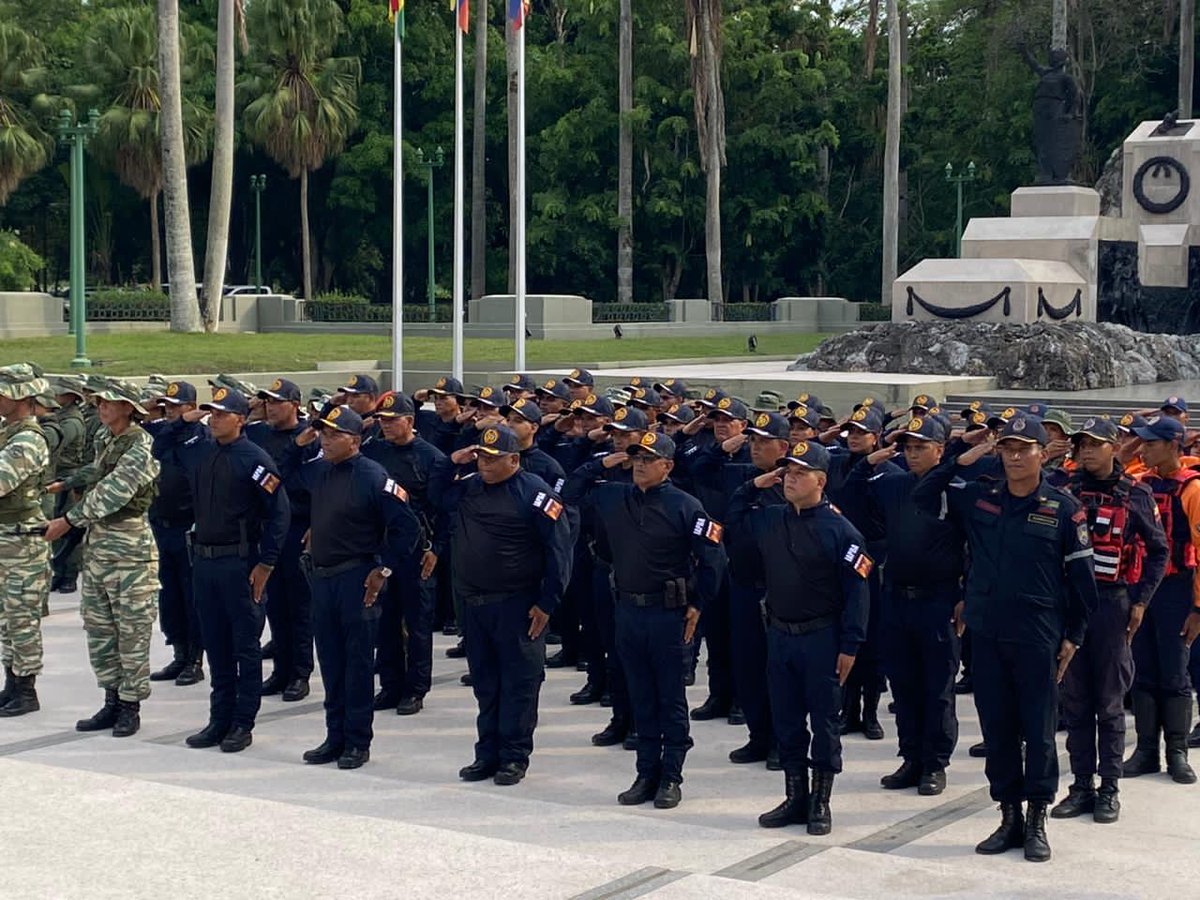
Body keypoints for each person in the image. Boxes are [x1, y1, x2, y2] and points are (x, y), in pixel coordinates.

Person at [913, 415, 1097, 862]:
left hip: (1038, 633)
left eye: (1024, 448)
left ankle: (1036, 819)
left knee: (1036, 729)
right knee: (997, 729)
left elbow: (1083, 581)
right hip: (987, 632)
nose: (1014, 456)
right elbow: (922, 497)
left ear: (1042, 453)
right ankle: (1008, 814)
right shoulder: (981, 498)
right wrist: (961, 451)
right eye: (1008, 448)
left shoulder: (1062, 507)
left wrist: (1073, 635)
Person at [736, 440, 869, 834]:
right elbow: (733, 517)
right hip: (780, 635)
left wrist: (850, 645)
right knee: (787, 720)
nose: (790, 480)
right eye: (787, 472)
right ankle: (795, 796)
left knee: (824, 723)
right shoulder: (773, 518)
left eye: (799, 473)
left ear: (821, 480)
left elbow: (858, 593)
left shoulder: (842, 531)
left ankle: (820, 801)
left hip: (822, 639)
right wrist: (755, 485)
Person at [592, 430, 726, 809]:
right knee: (641, 696)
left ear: (667, 466)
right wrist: (602, 463)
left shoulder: (686, 506)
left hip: (668, 614)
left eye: (649, 459)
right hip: (629, 611)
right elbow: (571, 490)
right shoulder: (616, 496)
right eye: (636, 458)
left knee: (669, 698)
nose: (639, 465)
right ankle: (645, 772)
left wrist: (698, 604)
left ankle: (671, 775)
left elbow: (714, 559)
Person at [285, 405, 422, 768]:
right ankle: (335, 736)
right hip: (323, 578)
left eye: (334, 435)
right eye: (323, 435)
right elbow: (284, 475)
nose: (326, 442)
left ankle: (357, 741)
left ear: (356, 440)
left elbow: (407, 529)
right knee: (331, 663)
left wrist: (385, 569)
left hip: (357, 578)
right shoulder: (321, 472)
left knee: (357, 664)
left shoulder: (373, 477)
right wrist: (300, 443)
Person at [1048, 417, 1168, 823]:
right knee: (1076, 701)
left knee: (1110, 703)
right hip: (1071, 605)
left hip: (1112, 605)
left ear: (1114, 446)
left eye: (1095, 443)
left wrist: (1141, 602)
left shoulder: (1136, 494)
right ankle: (1081, 785)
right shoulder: (1063, 491)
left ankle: (1109, 788)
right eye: (1081, 443)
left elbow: (1159, 550)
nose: (1085, 450)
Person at [438, 425, 573, 785]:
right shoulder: (469, 487)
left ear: (514, 459)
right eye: (481, 455)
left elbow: (559, 553)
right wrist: (453, 460)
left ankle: (514, 756)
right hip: (475, 604)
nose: (485, 463)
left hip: (518, 605)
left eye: (494, 459)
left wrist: (547, 604)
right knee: (486, 684)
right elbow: (433, 494)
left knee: (519, 685)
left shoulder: (535, 494)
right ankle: (487, 753)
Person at [851, 414, 964, 796]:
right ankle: (911, 756)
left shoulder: (956, 489)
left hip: (938, 601)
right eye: (908, 447)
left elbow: (974, 546)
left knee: (936, 686)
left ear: (940, 449)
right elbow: (850, 494)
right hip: (897, 598)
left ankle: (935, 762)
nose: (913, 454)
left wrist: (964, 596)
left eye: (921, 447)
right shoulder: (894, 483)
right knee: (903, 684)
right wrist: (871, 458)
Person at [176, 388, 291, 753]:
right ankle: (219, 718)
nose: (214, 419)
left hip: (239, 564)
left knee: (244, 645)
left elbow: (279, 515)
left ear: (241, 419)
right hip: (206, 562)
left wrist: (267, 562)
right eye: (211, 413)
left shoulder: (254, 461)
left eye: (222, 414)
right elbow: (163, 443)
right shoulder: (205, 455)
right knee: (216, 644)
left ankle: (243, 722)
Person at [46, 381, 159, 737]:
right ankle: (111, 699)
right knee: (99, 628)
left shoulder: (140, 445)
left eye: (109, 401)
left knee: (132, 631)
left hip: (130, 551)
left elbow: (113, 491)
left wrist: (68, 520)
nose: (101, 407)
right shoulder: (106, 439)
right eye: (98, 401)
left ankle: (130, 705)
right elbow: (97, 472)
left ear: (128, 406)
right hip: (99, 550)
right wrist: (66, 483)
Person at [1125, 414, 1200, 785]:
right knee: (1143, 670)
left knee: (1175, 670)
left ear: (1173, 446)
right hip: (1143, 587)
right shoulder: (1140, 485)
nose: (1144, 449)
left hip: (1177, 591)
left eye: (1151, 443)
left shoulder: (1193, 490)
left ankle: (1177, 752)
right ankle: (1144, 750)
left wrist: (1198, 608)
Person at [716, 411, 793, 769]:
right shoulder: (746, 480)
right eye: (753, 440)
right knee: (747, 667)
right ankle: (758, 736)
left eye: (764, 441)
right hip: (744, 587)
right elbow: (729, 523)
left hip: (777, 593)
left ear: (784, 447)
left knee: (777, 672)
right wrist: (750, 488)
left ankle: (781, 740)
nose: (756, 447)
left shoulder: (793, 484)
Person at [362, 391, 446, 715]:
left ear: (409, 421)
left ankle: (415, 688)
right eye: (381, 420)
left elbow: (444, 512)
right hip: (382, 549)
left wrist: (436, 550)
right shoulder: (373, 452)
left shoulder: (431, 458)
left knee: (417, 623)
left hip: (417, 552)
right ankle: (390, 684)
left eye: (391, 420)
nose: (385, 426)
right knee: (384, 621)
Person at [251, 378, 318, 702]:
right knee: (275, 604)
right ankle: (281, 669)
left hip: (298, 527)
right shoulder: (260, 434)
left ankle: (300, 672)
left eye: (277, 401)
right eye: (267, 401)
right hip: (269, 527)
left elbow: (315, 483)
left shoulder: (311, 438)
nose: (270, 407)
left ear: (295, 403)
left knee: (299, 606)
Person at [0, 365, 53, 717]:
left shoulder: (27, 441)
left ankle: (26, 689)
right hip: (7, 541)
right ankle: (11, 682)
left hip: (22, 544)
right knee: (7, 619)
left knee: (21, 618)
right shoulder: (8, 433)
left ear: (21, 396)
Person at [148, 381, 206, 686]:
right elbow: (150, 438)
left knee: (190, 595)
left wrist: (185, 423)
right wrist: (169, 420)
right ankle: (179, 653)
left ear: (192, 407)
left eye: (176, 406)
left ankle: (195, 659)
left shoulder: (200, 437)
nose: (169, 412)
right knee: (168, 596)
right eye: (166, 406)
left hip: (188, 528)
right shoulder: (162, 434)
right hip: (161, 525)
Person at [46, 378, 87, 593]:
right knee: (56, 529)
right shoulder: (61, 417)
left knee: (69, 528)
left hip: (68, 477)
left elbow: (56, 445)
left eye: (61, 393)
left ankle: (69, 574)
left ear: (71, 397)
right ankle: (59, 572)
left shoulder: (71, 421)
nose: (56, 396)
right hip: (58, 477)